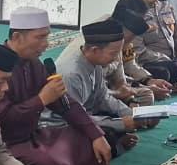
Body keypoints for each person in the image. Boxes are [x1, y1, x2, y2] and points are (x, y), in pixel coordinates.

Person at [0, 6, 111, 165]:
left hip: (34, 136)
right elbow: (2, 120)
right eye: (40, 37)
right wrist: (41, 100)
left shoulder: (34, 63)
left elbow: (65, 103)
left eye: (47, 37)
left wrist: (95, 134)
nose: (46, 44)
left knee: (89, 138)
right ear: (17, 37)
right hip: (5, 144)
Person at [53, 19, 157, 154]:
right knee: (105, 139)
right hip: (62, 126)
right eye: (113, 53)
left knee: (114, 124)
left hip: (87, 115)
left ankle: (116, 139)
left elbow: (103, 98)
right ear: (95, 50)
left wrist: (133, 114)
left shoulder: (95, 63)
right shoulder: (71, 74)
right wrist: (121, 124)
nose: (116, 58)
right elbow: (76, 118)